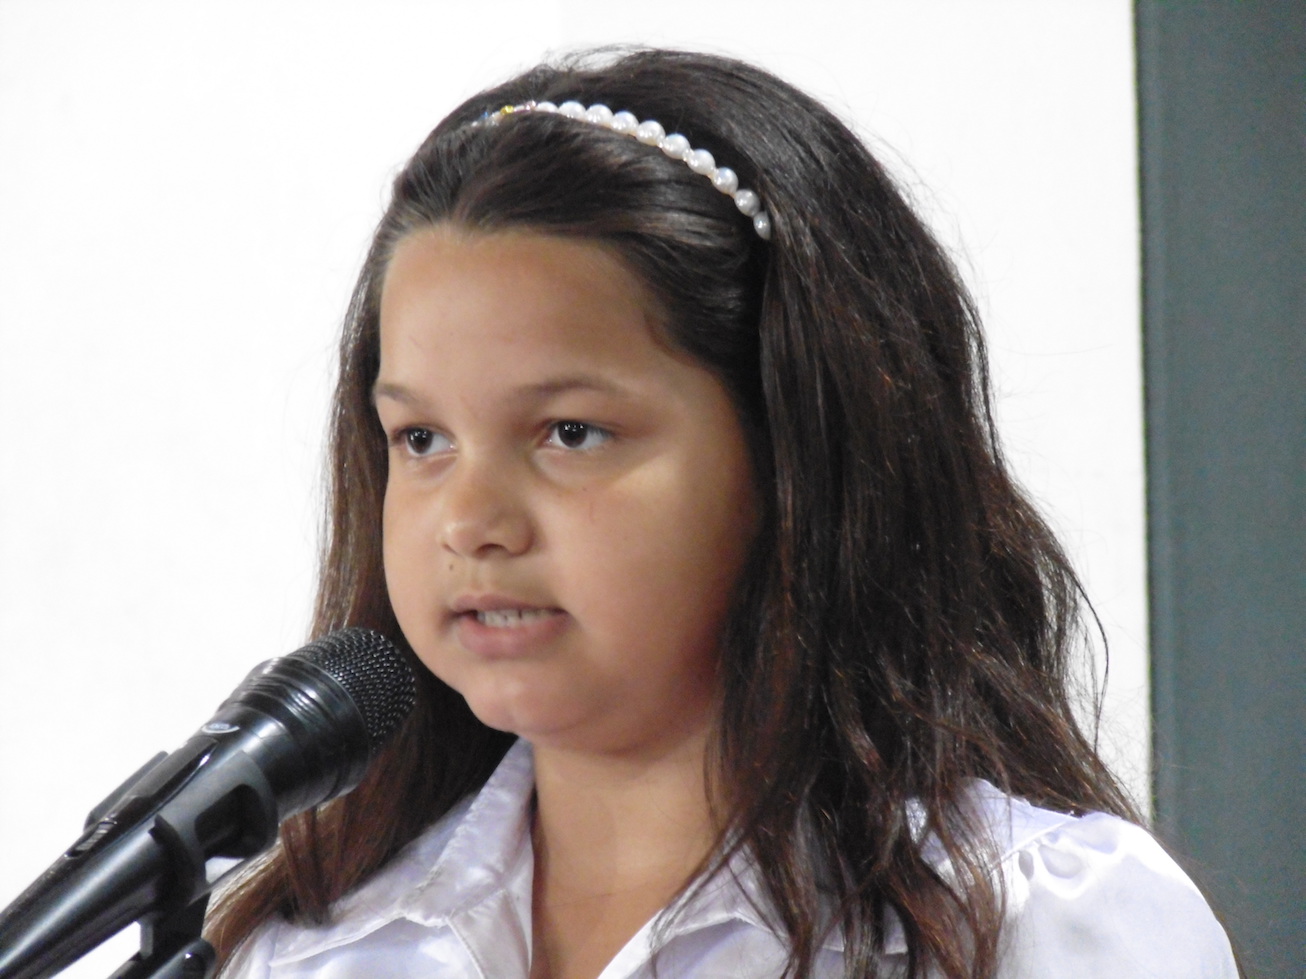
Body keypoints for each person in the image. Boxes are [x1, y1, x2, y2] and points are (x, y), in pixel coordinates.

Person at [205, 48, 1238, 979]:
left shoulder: (1031, 924)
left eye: (571, 432)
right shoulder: (313, 949)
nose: (469, 519)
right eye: (422, 439)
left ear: (797, 453)